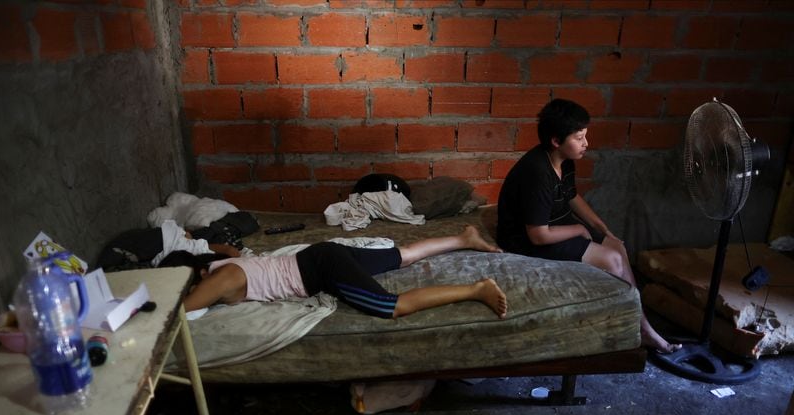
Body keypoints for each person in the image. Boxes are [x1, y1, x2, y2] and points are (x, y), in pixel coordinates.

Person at [496, 98, 680, 353]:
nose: (586, 144)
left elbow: (572, 197)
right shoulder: (537, 172)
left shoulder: (564, 159)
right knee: (612, 260)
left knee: (618, 248)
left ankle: (642, 327)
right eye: (579, 137)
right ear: (556, 141)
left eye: (586, 136)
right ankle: (633, 329)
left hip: (554, 224)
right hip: (525, 239)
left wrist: (603, 229)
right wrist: (581, 231)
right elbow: (537, 235)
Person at [160, 226, 508, 320]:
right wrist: (197, 243)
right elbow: (230, 250)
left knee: (393, 307)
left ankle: (477, 289)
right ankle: (463, 238)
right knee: (400, 257)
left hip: (321, 270)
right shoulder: (223, 263)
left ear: (193, 277)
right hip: (320, 256)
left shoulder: (219, 279)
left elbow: (181, 310)